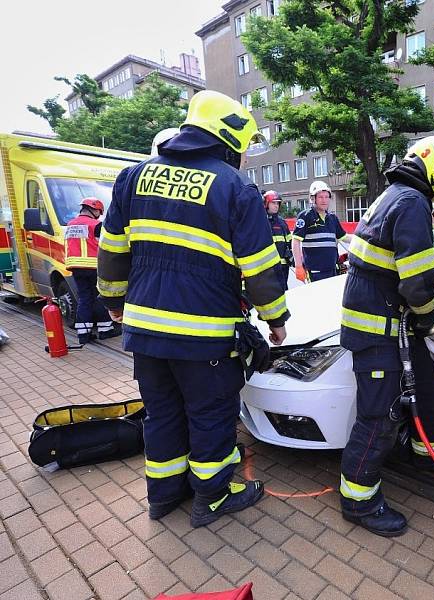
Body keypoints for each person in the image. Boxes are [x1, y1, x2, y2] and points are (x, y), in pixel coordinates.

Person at [97, 90, 289, 528]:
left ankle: (163, 496)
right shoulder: (234, 187)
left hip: (144, 331)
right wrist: (276, 320)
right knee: (210, 414)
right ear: (226, 140)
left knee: (162, 413)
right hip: (203, 335)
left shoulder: (133, 177)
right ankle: (214, 496)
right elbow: (260, 269)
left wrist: (112, 302)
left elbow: (110, 251)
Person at [339, 136, 434, 537]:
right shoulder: (412, 202)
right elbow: (416, 285)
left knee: (428, 387)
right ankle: (358, 500)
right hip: (379, 330)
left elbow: (413, 271)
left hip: (389, 324)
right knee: (380, 415)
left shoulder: (395, 195)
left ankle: (427, 457)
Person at [64, 197, 118, 344]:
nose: (99, 215)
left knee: (84, 298)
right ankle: (105, 330)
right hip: (93, 266)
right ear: (94, 210)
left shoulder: (69, 225)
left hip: (75, 267)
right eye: (99, 212)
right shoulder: (96, 225)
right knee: (100, 297)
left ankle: (83, 334)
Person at [292, 180, 350, 282]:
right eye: (320, 197)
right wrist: (298, 266)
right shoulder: (305, 216)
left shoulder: (332, 218)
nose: (324, 200)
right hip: (314, 272)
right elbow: (295, 241)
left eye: (326, 197)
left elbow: (344, 237)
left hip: (333, 271)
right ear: (313, 198)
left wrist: (362, 238)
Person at [264, 190, 291, 290]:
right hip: (268, 267)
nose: (276, 206)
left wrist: (291, 255)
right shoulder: (261, 221)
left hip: (283, 266)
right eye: (273, 203)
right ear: (266, 203)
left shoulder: (282, 222)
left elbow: (289, 240)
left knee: (284, 291)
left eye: (277, 203)